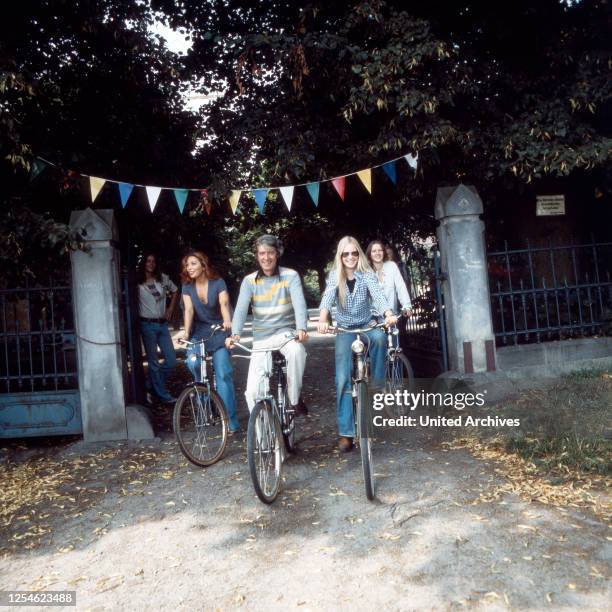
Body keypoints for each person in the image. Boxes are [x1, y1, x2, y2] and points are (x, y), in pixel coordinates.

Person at [317, 236, 397, 452]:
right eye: (346, 254)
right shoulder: (335, 276)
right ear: (340, 256)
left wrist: (388, 313)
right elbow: (327, 298)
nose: (350, 257)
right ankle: (346, 433)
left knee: (380, 339)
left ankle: (377, 385)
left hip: (366, 324)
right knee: (342, 378)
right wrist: (323, 319)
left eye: (354, 253)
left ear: (359, 254)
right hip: (345, 330)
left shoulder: (367, 275)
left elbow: (379, 297)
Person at [226, 235, 308, 416]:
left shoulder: (290, 275)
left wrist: (301, 328)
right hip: (261, 339)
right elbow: (240, 310)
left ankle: (294, 399)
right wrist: (235, 334)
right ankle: (265, 441)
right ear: (257, 256)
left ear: (277, 254)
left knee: (297, 351)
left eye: (270, 252)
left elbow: (299, 304)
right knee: (253, 392)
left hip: (285, 334)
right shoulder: (249, 281)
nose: (266, 257)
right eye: (262, 253)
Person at [181, 250, 240, 432]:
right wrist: (185, 333)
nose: (189, 268)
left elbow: (223, 304)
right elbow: (189, 310)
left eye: (193, 264)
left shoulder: (218, 282)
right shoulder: (187, 286)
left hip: (218, 331)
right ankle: (205, 399)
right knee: (194, 363)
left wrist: (228, 322)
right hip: (199, 333)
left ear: (203, 264)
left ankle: (229, 419)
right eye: (187, 265)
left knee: (223, 373)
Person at [137, 252, 179, 404]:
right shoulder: (137, 282)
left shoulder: (163, 278)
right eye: (148, 261)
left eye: (153, 261)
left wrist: (170, 309)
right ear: (143, 263)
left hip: (162, 324)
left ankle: (150, 385)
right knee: (153, 363)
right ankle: (163, 395)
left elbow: (175, 290)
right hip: (147, 325)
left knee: (171, 360)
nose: (151, 263)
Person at [366, 240, 413, 318]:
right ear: (369, 254)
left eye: (380, 250)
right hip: (372, 318)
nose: (377, 253)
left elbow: (401, 287)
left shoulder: (392, 266)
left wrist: (407, 306)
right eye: (374, 251)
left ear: (384, 252)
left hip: (392, 315)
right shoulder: (366, 271)